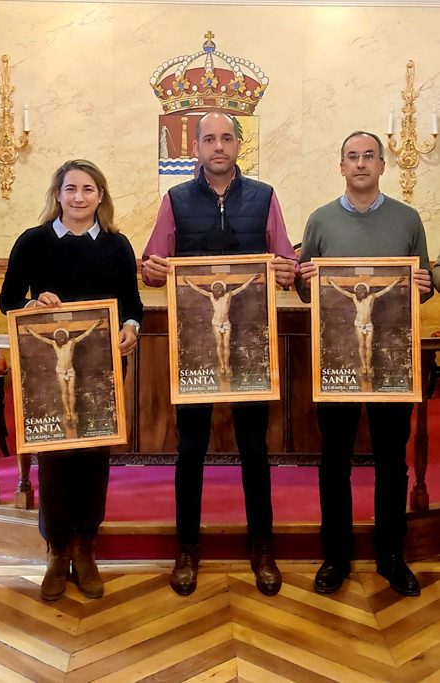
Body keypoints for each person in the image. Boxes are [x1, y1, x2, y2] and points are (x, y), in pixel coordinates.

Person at [143, 110, 298, 597]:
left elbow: (288, 264)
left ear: (237, 145)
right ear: (196, 147)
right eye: (209, 139)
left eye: (226, 138)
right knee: (189, 449)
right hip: (194, 345)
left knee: (255, 449)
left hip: (251, 343)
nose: (218, 146)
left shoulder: (264, 197)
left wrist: (286, 272)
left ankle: (263, 547)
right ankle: (187, 548)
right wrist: (151, 270)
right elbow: (152, 266)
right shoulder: (175, 200)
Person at [0, 159, 143, 601]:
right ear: (57, 195)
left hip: (103, 369)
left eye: (88, 189)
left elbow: (133, 304)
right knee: (56, 458)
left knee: (95, 455)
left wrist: (131, 328)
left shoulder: (117, 245)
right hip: (47, 370)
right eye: (70, 189)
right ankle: (57, 551)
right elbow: (8, 300)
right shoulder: (33, 241)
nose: (79, 197)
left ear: (101, 196)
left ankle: (85, 547)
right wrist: (30, 304)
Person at [297, 131, 432, 597]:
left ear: (381, 165)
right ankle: (335, 555)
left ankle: (391, 555)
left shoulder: (407, 218)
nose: (360, 163)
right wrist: (304, 280)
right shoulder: (320, 220)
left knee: (391, 461)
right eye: (352, 156)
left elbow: (421, 287)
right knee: (334, 460)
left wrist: (422, 286)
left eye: (368, 156)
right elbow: (304, 289)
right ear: (341, 166)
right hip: (335, 360)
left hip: (392, 360)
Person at [325, 275, 404, 382]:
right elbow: (341, 291)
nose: (361, 292)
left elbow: (386, 290)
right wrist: (332, 282)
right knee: (361, 345)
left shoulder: (371, 297)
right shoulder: (355, 298)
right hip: (359, 324)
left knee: (368, 346)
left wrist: (395, 281)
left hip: (368, 324)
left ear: (366, 290)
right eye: (359, 289)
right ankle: (363, 365)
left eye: (363, 289)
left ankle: (369, 365)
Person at [26, 320, 103, 425]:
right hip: (61, 370)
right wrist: (30, 330)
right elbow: (41, 338)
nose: (61, 337)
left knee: (71, 391)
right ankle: (67, 412)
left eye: (62, 335)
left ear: (66, 336)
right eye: (58, 335)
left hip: (70, 370)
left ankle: (72, 411)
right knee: (64, 392)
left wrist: (94, 325)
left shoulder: (71, 343)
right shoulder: (55, 344)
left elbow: (85, 334)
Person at [183, 273, 259, 376]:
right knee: (219, 345)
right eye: (216, 287)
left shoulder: (228, 295)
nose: (218, 289)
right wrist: (188, 281)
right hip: (216, 323)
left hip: (226, 323)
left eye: (220, 287)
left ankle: (226, 365)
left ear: (223, 288)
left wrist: (251, 279)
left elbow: (242, 288)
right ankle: (222, 365)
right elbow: (199, 290)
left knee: (226, 345)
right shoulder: (212, 296)